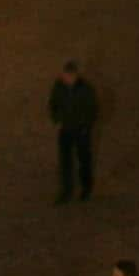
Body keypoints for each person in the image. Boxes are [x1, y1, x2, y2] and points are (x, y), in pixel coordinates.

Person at [49, 58, 99, 203]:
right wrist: (57, 120)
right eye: (65, 76)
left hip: (81, 130)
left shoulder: (86, 89)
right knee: (65, 162)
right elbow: (53, 104)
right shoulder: (58, 86)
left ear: (76, 75)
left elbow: (92, 110)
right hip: (66, 129)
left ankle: (86, 188)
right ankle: (66, 190)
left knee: (84, 160)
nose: (67, 79)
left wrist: (86, 126)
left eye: (70, 76)